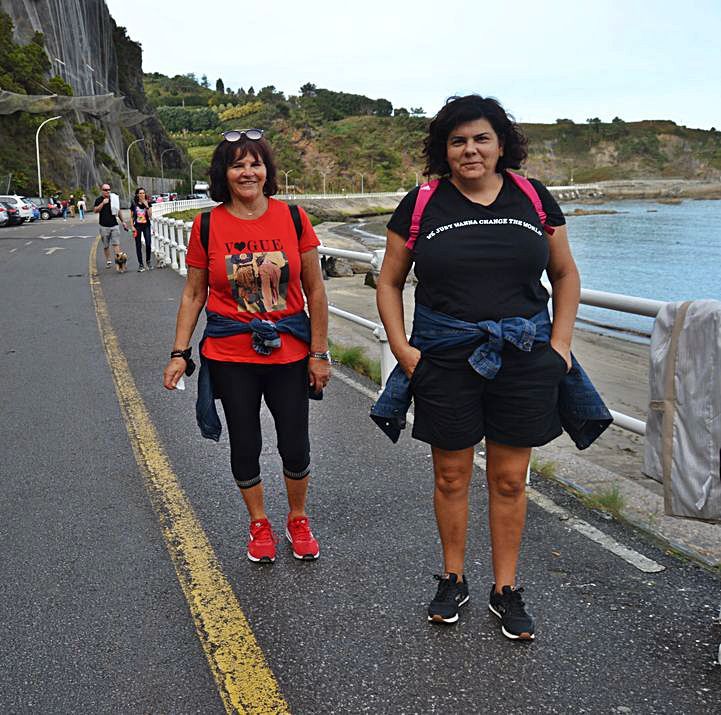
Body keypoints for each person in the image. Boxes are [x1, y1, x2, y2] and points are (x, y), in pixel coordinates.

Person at [375, 95, 586, 641]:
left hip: (523, 355)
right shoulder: (423, 202)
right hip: (445, 357)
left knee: (511, 479)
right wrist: (402, 348)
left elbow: (564, 274)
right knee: (450, 474)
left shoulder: (532, 196)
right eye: (458, 140)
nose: (470, 149)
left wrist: (559, 343)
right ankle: (452, 576)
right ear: (444, 149)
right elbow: (390, 281)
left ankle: (506, 588)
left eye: (481, 138)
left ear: (500, 145)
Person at [162, 128, 331, 564]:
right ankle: (259, 522)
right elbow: (194, 294)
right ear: (225, 173)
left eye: (255, 163)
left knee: (295, 443)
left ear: (266, 171)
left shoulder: (293, 219)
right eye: (238, 164)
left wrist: (318, 353)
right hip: (230, 355)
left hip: (290, 352)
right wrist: (180, 352)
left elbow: (315, 290)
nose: (248, 171)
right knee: (245, 443)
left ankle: (297, 517)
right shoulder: (207, 224)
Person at [93, 183, 128, 268]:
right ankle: (108, 260)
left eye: (109, 189)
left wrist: (123, 222)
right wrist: (103, 203)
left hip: (114, 225)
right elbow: (95, 210)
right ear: (102, 191)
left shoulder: (114, 199)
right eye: (105, 190)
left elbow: (118, 211)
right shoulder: (98, 200)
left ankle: (118, 261)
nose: (107, 191)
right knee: (106, 245)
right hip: (104, 226)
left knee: (116, 244)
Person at [130, 187, 153, 272]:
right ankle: (141, 264)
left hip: (146, 225)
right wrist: (132, 226)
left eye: (143, 193)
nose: (142, 195)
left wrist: (146, 205)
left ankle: (148, 261)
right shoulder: (134, 204)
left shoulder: (148, 203)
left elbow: (150, 215)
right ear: (137, 194)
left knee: (148, 243)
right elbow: (131, 217)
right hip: (137, 226)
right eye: (140, 193)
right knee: (138, 245)